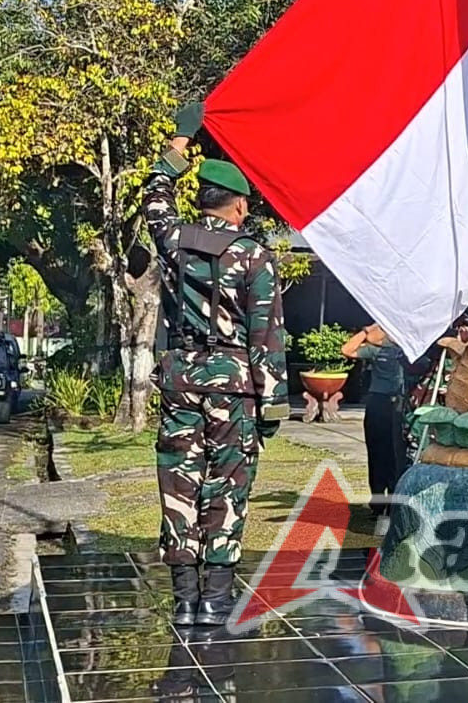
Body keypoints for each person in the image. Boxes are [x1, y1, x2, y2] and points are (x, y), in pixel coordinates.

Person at [143, 104, 286, 628]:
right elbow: (265, 333)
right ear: (239, 206)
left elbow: (153, 196)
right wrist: (273, 401)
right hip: (235, 387)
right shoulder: (253, 256)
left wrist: (179, 143)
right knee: (226, 486)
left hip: (182, 380)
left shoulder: (174, 240)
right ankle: (216, 598)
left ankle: (183, 599)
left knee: (178, 483)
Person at [342, 324, 412, 516]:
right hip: (378, 403)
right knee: (377, 452)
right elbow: (347, 350)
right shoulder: (376, 350)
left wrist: (367, 332)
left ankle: (392, 501)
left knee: (395, 455)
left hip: (397, 404)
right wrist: (367, 331)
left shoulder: (408, 352)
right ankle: (379, 502)